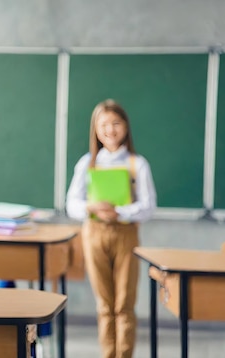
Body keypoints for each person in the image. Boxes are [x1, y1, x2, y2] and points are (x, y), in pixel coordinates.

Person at [66, 99, 157, 358]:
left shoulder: (137, 164)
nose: (110, 130)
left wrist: (120, 211)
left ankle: (124, 354)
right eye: (103, 124)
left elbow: (149, 206)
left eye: (116, 123)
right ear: (95, 129)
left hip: (126, 234)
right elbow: (71, 203)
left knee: (124, 304)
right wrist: (91, 206)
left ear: (126, 126)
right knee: (105, 304)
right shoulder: (87, 163)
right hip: (94, 233)